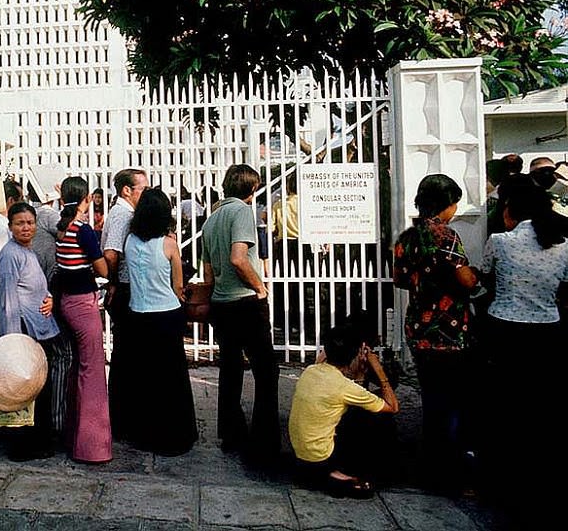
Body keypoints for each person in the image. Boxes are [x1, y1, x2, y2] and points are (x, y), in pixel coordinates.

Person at [477, 177, 568, 526]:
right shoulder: (562, 245)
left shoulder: (500, 243)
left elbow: (484, 278)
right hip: (547, 334)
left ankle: (500, 482)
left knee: (503, 409)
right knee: (540, 410)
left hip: (504, 331)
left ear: (510, 209)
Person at [392, 173, 478, 491]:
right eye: (454, 203)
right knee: (452, 402)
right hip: (449, 328)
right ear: (446, 204)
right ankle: (449, 471)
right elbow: (466, 280)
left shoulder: (407, 237)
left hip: (419, 327)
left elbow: (400, 279)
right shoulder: (447, 236)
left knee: (431, 399)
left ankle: (429, 467)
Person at [201, 164, 280, 464]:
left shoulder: (212, 219)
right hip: (245, 301)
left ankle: (231, 432)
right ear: (252, 189)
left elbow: (209, 273)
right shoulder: (243, 213)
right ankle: (264, 438)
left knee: (230, 369)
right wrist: (260, 287)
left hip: (221, 302)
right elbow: (238, 258)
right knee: (266, 370)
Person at [122, 188, 197, 456]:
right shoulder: (168, 244)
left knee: (146, 379)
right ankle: (175, 435)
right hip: (166, 314)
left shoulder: (129, 241)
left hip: (138, 314)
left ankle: (145, 433)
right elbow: (178, 286)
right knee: (172, 378)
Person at [289, 323, 399, 499]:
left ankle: (331, 475)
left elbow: (350, 394)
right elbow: (393, 407)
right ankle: (352, 474)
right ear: (355, 354)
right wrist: (377, 368)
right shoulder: (344, 387)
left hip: (304, 457)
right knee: (382, 418)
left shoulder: (311, 371)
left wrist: (360, 375)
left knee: (356, 411)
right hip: (322, 458)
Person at [0, 202, 61, 461]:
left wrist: (49, 298)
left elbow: (34, 287)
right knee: (24, 390)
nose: (26, 227)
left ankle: (37, 441)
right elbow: (8, 300)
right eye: (20, 223)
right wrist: (13, 343)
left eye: (30, 222)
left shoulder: (28, 251)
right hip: (22, 331)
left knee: (37, 387)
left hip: (37, 328)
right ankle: (21, 447)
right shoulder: (11, 255)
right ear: (10, 227)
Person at [54, 176, 111, 463]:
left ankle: (73, 435)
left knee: (78, 367)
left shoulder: (62, 228)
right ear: (87, 199)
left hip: (65, 301)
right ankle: (92, 447)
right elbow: (103, 270)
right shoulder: (84, 231)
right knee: (93, 372)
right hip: (83, 304)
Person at [101, 168, 148, 440]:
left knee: (127, 355)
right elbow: (111, 251)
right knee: (126, 357)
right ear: (126, 190)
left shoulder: (123, 213)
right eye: (141, 187)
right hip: (124, 287)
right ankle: (121, 419)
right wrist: (115, 280)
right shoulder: (122, 214)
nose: (145, 192)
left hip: (125, 286)